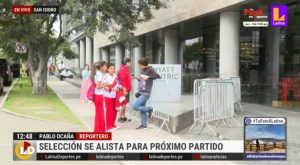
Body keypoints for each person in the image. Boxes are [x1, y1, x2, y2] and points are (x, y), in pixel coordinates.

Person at [133, 58, 160, 130]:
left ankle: (150, 109)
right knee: (142, 110)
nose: (139, 67)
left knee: (135, 106)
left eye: (140, 65)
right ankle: (144, 125)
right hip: (141, 91)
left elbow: (158, 76)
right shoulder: (143, 70)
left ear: (145, 64)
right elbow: (143, 81)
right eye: (139, 65)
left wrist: (149, 77)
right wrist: (139, 79)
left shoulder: (150, 69)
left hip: (146, 93)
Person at [90, 61, 107, 132]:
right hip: (98, 95)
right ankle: (98, 130)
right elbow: (98, 86)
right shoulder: (99, 74)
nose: (106, 67)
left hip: (96, 96)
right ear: (101, 67)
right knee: (100, 113)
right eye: (105, 66)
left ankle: (100, 129)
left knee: (99, 113)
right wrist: (104, 85)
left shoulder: (95, 73)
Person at [103, 64, 119, 132]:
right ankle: (109, 127)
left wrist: (118, 88)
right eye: (111, 68)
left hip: (115, 96)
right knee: (109, 111)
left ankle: (112, 124)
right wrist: (111, 89)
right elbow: (104, 86)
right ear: (108, 69)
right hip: (108, 96)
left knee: (115, 111)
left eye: (114, 68)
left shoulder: (115, 76)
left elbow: (118, 85)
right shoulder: (106, 76)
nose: (113, 70)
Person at [117, 58, 132, 123]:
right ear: (126, 63)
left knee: (124, 103)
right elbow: (122, 80)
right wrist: (124, 89)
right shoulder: (123, 70)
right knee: (123, 103)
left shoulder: (125, 69)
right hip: (124, 89)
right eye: (129, 62)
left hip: (126, 89)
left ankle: (123, 116)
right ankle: (120, 117)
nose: (130, 64)